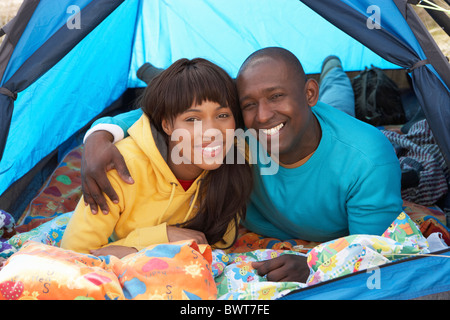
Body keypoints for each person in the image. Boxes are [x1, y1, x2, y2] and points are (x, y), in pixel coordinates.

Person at [80, 47, 403, 282]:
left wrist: (313, 266)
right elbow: (158, 116)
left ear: (307, 92)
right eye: (249, 105)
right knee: (185, 93)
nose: (262, 116)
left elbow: (377, 258)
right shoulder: (235, 134)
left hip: (334, 122)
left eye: (276, 96)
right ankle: (155, 75)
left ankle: (333, 69)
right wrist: (98, 135)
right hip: (306, 118)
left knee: (339, 103)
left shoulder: (366, 161)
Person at [60, 58, 253, 256]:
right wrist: (162, 237)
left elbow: (219, 249)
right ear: (167, 125)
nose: (212, 132)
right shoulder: (121, 167)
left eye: (222, 116)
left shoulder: (235, 164)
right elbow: (74, 255)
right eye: (192, 119)